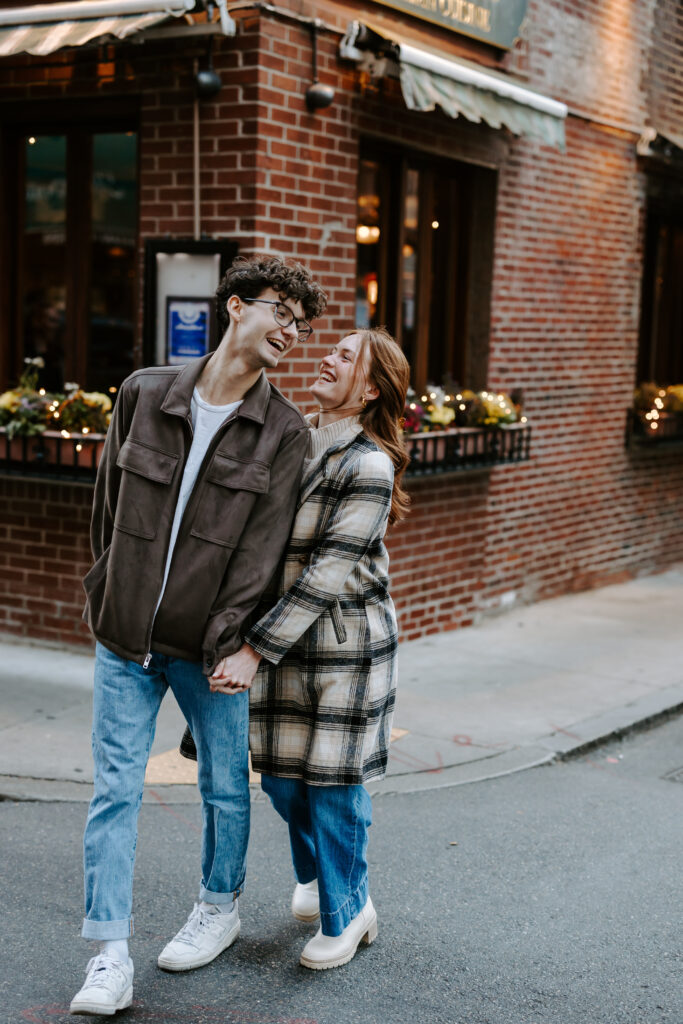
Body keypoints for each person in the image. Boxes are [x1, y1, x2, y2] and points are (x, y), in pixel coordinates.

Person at [69, 255, 326, 1016]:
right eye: (281, 312)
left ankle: (220, 905)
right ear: (236, 307)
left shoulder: (282, 431)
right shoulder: (144, 393)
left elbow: (261, 554)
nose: (291, 331)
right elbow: (105, 511)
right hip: (123, 637)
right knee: (113, 790)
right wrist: (107, 590)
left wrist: (235, 644)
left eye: (301, 324)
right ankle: (108, 954)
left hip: (210, 649)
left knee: (222, 786)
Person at [208, 326, 410, 970]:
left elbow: (325, 575)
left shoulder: (368, 464)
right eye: (333, 349)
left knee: (331, 784)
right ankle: (326, 874)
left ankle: (349, 912)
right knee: (282, 784)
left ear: (371, 388)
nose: (328, 357)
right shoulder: (296, 439)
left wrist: (253, 651)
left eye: (346, 357)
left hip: (345, 649)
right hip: (285, 642)